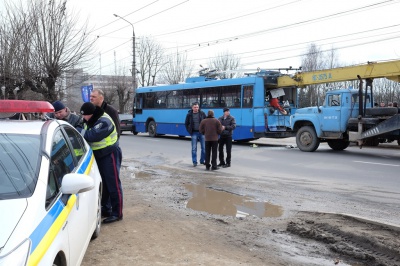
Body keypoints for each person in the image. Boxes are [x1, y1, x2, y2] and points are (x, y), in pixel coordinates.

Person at [79, 102, 123, 224]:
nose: (84, 118)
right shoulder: (91, 119)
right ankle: (107, 209)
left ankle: (117, 213)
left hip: (110, 154)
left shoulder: (104, 121)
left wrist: (78, 130)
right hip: (99, 155)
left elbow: (91, 136)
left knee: (113, 184)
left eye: (86, 116)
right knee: (104, 183)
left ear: (92, 114)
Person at [185, 102, 206, 166]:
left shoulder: (202, 113)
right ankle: (194, 162)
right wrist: (190, 131)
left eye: (197, 107)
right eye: (195, 107)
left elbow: (206, 121)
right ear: (192, 108)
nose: (196, 108)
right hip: (194, 133)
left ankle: (202, 160)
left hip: (202, 133)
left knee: (204, 148)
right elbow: (186, 123)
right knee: (194, 148)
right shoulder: (189, 114)